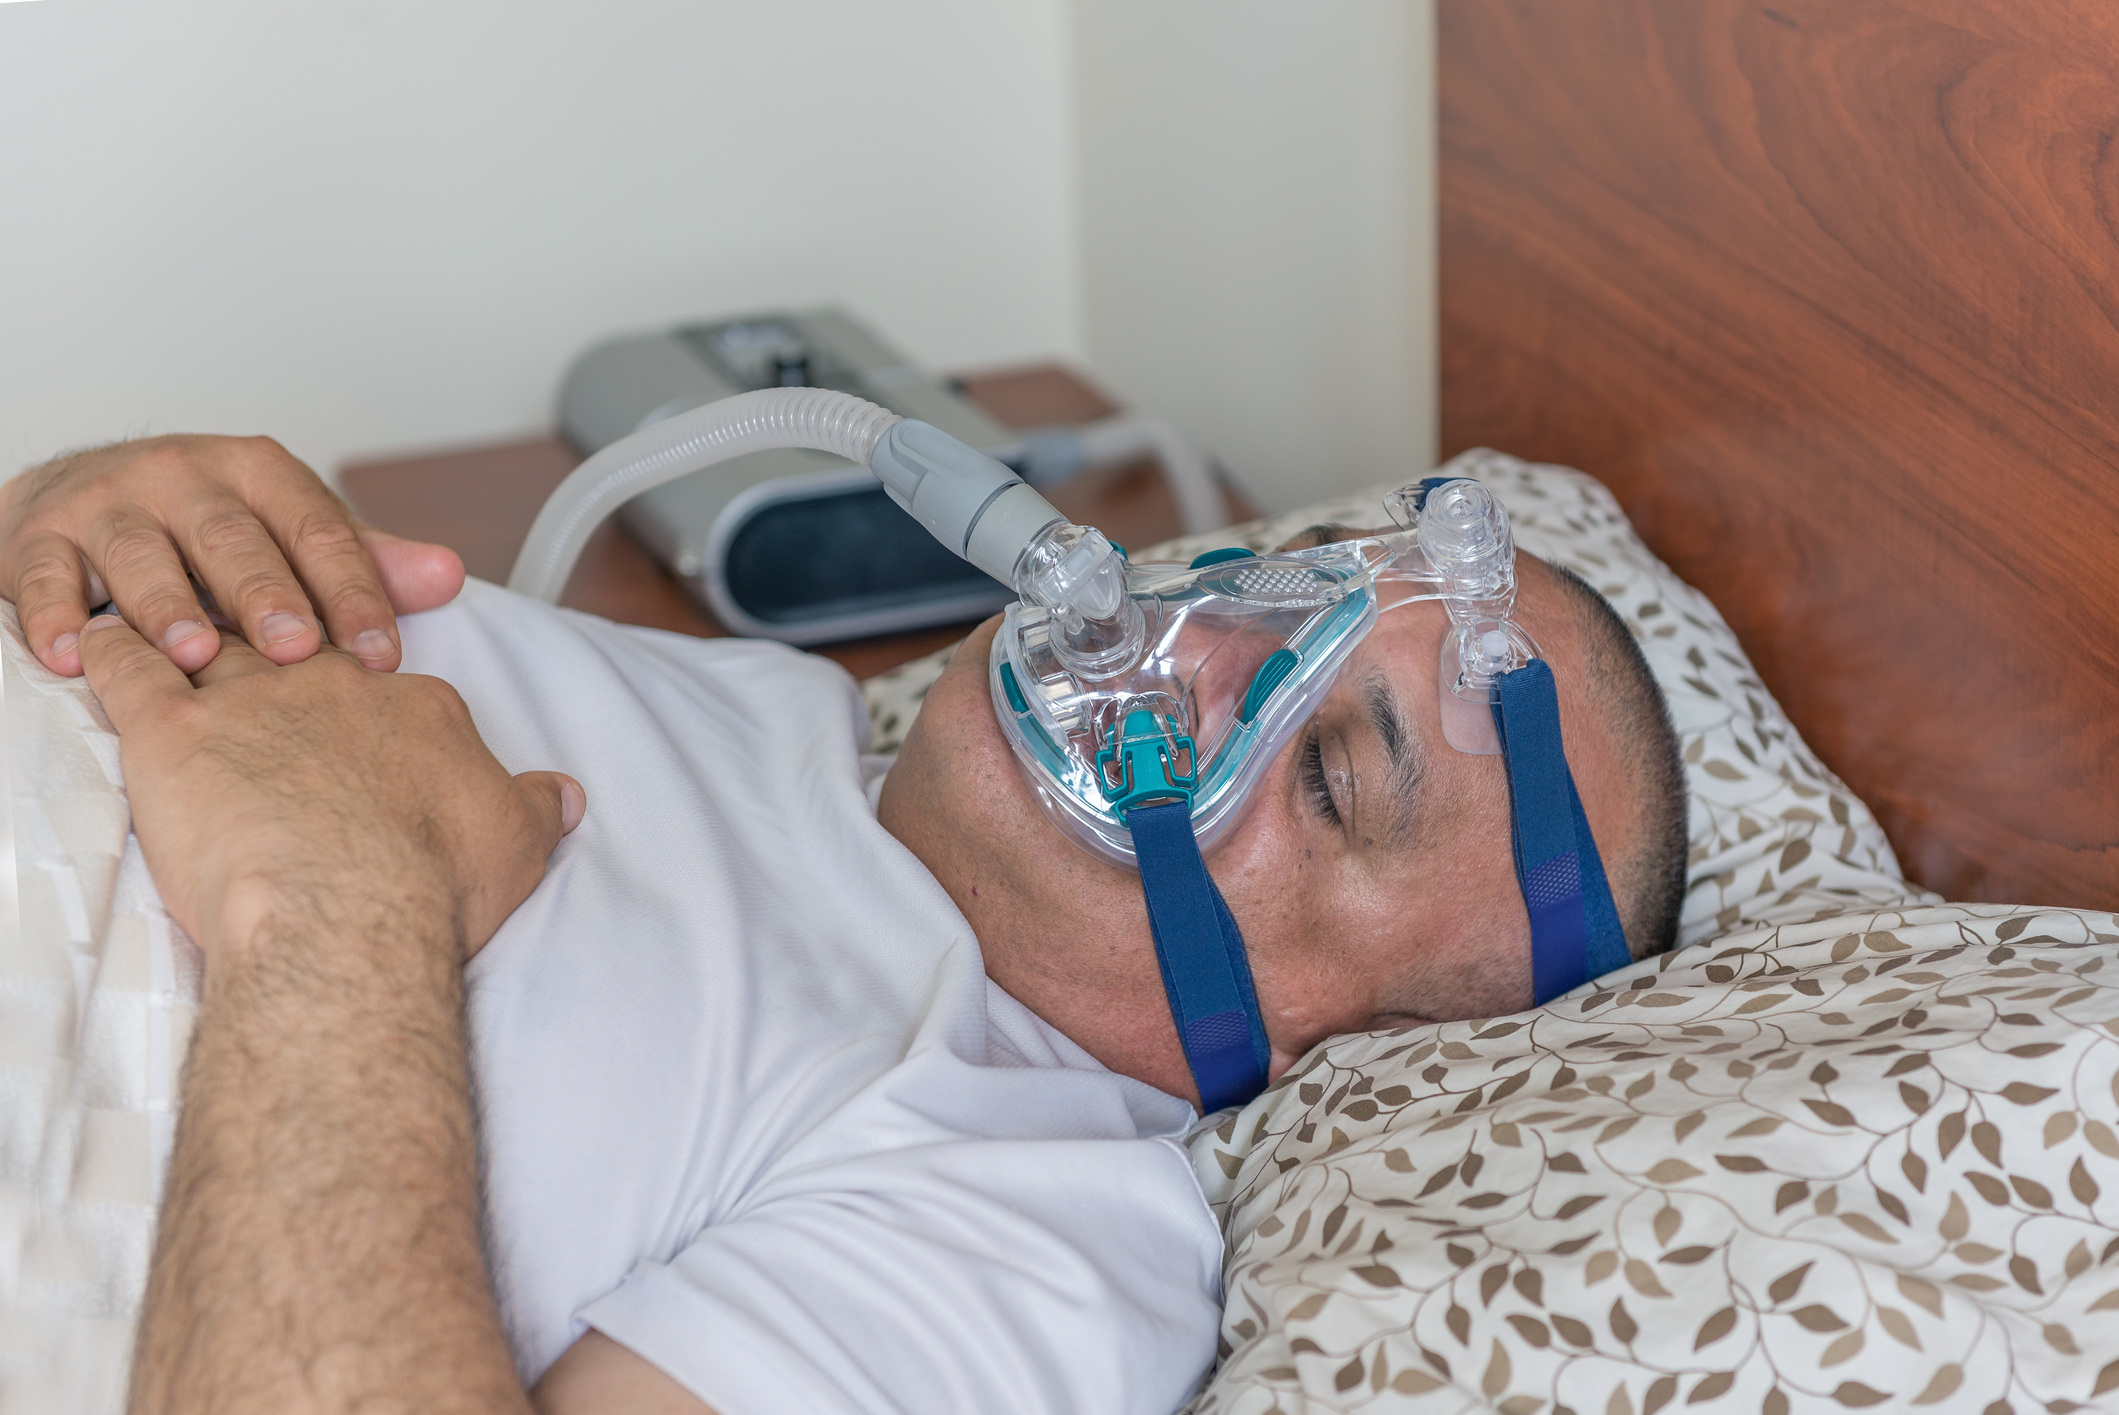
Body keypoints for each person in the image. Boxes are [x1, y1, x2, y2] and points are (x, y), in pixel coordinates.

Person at [0, 434, 1689, 1414]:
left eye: (1328, 775)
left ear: (1348, 1046)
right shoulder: (751, 698)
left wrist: (337, 896)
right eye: (1286, 588)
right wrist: (81, 519)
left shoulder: (1038, 1233)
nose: (1197, 643)